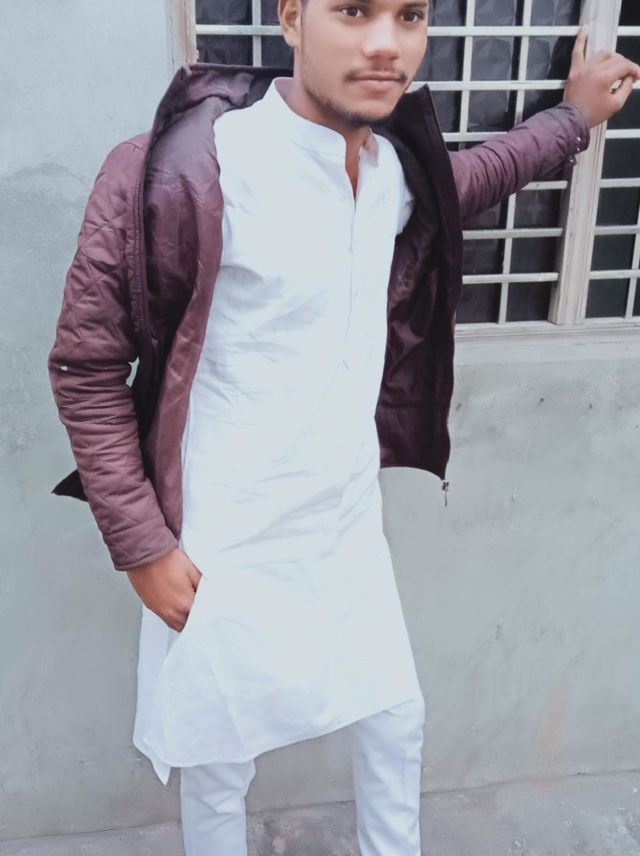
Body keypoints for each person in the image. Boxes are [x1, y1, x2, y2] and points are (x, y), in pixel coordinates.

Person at [47, 1, 639, 853]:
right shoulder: (185, 171)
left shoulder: (395, 171)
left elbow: (478, 176)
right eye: (354, 10)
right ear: (292, 17)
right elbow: (87, 367)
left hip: (345, 529)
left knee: (395, 721)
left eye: (409, 15)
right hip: (224, 540)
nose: (385, 44)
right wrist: (143, 545)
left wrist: (574, 117)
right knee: (219, 761)